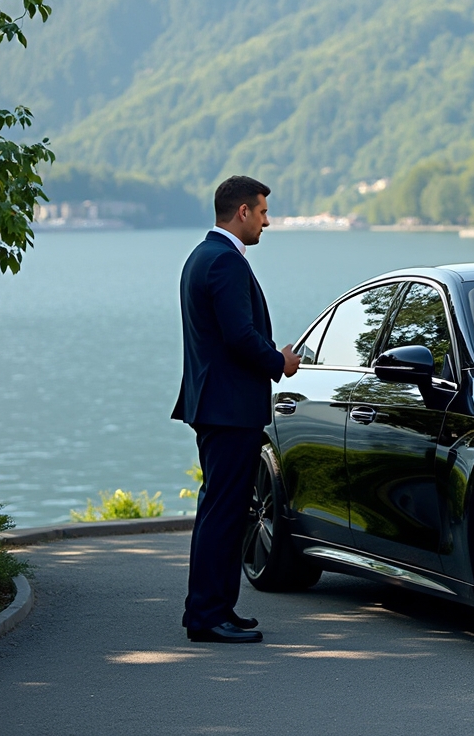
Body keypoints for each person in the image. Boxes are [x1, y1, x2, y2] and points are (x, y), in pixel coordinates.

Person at [171, 176, 301, 644]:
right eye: (263, 212)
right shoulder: (225, 262)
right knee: (223, 512)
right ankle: (207, 616)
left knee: (220, 510)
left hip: (216, 405)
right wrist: (279, 362)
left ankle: (217, 608)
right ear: (242, 211)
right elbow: (238, 336)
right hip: (228, 409)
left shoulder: (203, 256)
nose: (267, 221)